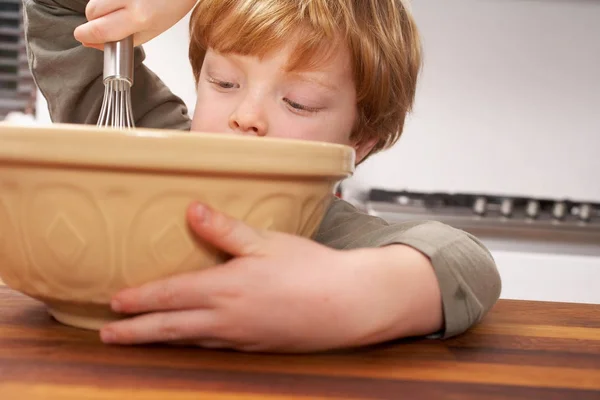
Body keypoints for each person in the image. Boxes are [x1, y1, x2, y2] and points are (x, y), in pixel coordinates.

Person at [22, 0, 502, 353]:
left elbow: (465, 263)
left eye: (299, 103)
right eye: (224, 82)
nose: (246, 115)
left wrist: (347, 297)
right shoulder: (148, 138)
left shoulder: (328, 238)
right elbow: (56, 10)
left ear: (359, 143)